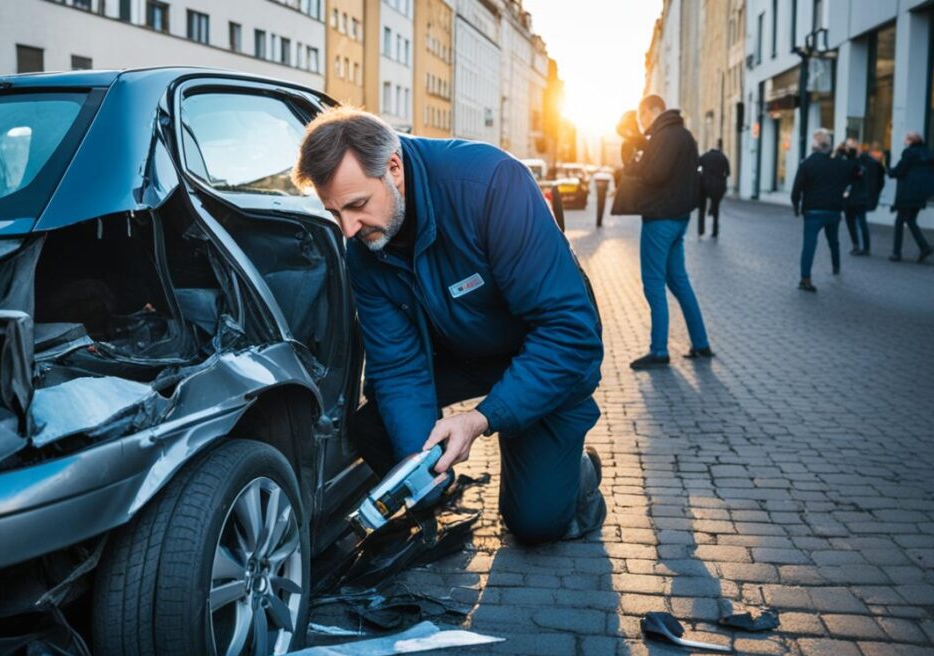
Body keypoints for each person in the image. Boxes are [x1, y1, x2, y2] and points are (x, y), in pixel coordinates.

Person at [292, 108, 606, 544]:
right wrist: (420, 473)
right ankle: (441, 487)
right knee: (376, 423)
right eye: (335, 212)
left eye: (358, 205)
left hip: (543, 353)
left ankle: (579, 473)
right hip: (464, 353)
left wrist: (483, 418)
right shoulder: (364, 248)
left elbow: (569, 334)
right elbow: (397, 365)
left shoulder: (492, 184)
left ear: (394, 169)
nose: (348, 229)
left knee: (536, 524)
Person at [619, 95, 711, 369]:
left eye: (642, 116)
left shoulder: (664, 136)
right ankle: (701, 342)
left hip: (660, 218)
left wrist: (632, 163)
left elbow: (654, 173)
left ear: (653, 110)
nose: (642, 122)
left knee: (653, 284)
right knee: (679, 282)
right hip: (679, 217)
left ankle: (659, 350)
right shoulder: (684, 135)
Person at [790, 128, 859, 292]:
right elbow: (856, 173)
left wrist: (796, 207)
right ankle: (836, 266)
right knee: (833, 240)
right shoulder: (840, 164)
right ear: (829, 147)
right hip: (833, 210)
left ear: (814, 146)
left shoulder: (807, 164)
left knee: (809, 244)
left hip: (813, 210)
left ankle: (805, 279)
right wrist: (848, 154)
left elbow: (796, 190)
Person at [887, 131, 934, 263]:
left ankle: (896, 253)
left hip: (908, 194)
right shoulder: (927, 152)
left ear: (910, 140)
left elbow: (900, 170)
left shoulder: (909, 153)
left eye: (906, 138)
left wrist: (889, 171)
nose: (904, 141)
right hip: (921, 194)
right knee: (910, 219)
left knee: (900, 221)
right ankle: (924, 247)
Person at [840, 138, 870, 255]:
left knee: (861, 222)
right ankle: (856, 245)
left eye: (850, 146)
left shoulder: (862, 160)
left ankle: (865, 247)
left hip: (858, 196)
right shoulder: (846, 160)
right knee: (850, 221)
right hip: (849, 196)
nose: (848, 148)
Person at [697, 142, 730, 237]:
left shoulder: (704, 156)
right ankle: (715, 231)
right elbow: (728, 173)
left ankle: (700, 230)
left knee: (701, 208)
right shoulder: (723, 158)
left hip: (704, 184)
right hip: (718, 186)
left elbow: (698, 169)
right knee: (716, 208)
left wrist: (701, 175)